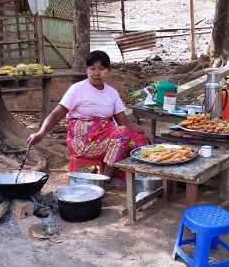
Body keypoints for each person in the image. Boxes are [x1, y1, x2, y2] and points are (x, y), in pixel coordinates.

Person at [27, 50, 154, 186]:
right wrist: (41, 132)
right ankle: (106, 179)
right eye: (92, 69)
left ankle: (122, 175)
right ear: (86, 69)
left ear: (108, 69)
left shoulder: (112, 93)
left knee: (139, 140)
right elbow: (56, 114)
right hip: (82, 142)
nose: (96, 73)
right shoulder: (77, 89)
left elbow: (124, 121)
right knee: (122, 134)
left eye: (101, 69)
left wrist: (143, 130)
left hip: (105, 139)